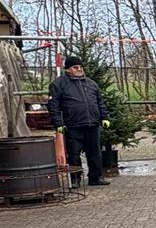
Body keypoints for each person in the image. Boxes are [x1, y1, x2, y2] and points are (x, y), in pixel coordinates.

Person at [47, 56, 112, 187]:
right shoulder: (59, 84)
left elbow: (100, 102)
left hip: (92, 124)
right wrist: (58, 123)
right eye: (75, 67)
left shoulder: (91, 84)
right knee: (73, 154)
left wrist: (104, 117)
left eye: (80, 67)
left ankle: (96, 177)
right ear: (68, 69)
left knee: (95, 153)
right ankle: (75, 178)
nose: (79, 69)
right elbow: (53, 105)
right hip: (72, 125)